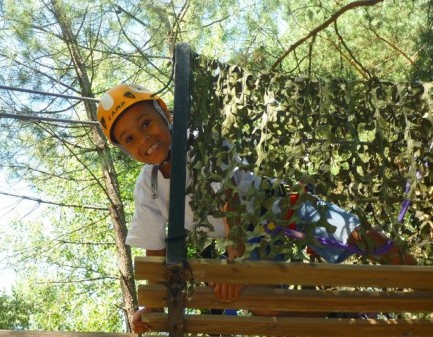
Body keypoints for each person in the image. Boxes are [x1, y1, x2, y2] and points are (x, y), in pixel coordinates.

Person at [96, 83, 417, 333]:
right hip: (250, 242)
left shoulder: (199, 141)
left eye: (145, 123)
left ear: (164, 112)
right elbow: (156, 252)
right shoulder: (148, 187)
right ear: (125, 149)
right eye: (129, 138)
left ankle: (418, 277)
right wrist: (151, 308)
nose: (143, 138)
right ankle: (337, 317)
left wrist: (234, 265)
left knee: (360, 236)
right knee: (260, 301)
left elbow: (229, 199)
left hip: (284, 209)